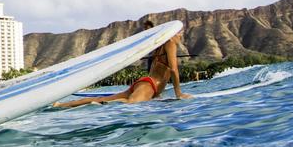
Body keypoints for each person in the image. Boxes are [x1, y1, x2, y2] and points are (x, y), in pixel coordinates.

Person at [50, 20, 192, 109]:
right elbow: (173, 69)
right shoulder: (171, 42)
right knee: (128, 104)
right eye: (181, 33)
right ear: (176, 32)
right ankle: (103, 104)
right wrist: (179, 93)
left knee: (101, 99)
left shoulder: (159, 45)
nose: (181, 35)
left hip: (145, 83)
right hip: (150, 86)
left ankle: (61, 105)